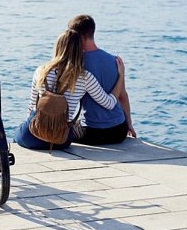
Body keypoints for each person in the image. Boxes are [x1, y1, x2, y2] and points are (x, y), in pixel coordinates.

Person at [14, 29, 125, 150]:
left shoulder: (41, 71)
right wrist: (120, 76)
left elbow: (31, 107)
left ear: (57, 47)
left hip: (32, 136)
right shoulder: (84, 77)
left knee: (18, 135)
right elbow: (108, 103)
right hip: (61, 140)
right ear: (79, 50)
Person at [67, 15, 136, 145]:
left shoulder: (76, 64)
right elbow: (122, 97)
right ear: (92, 32)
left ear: (76, 36)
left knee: (70, 127)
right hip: (118, 132)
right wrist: (129, 124)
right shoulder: (116, 61)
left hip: (91, 133)